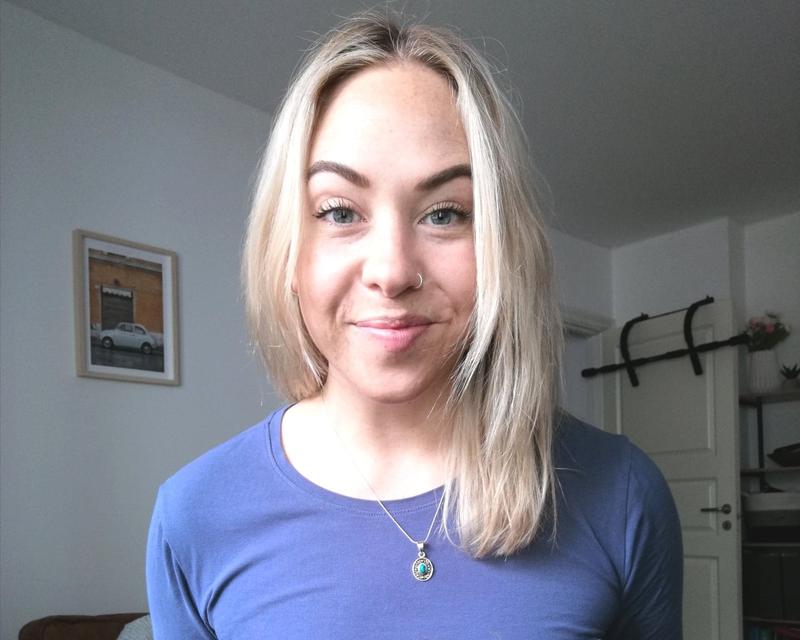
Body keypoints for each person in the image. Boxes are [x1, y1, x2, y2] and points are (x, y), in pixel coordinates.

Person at [146, 11, 683, 639]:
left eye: (445, 213)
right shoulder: (194, 514)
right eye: (339, 211)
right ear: (287, 252)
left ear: (501, 248)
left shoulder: (621, 492)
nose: (393, 271)